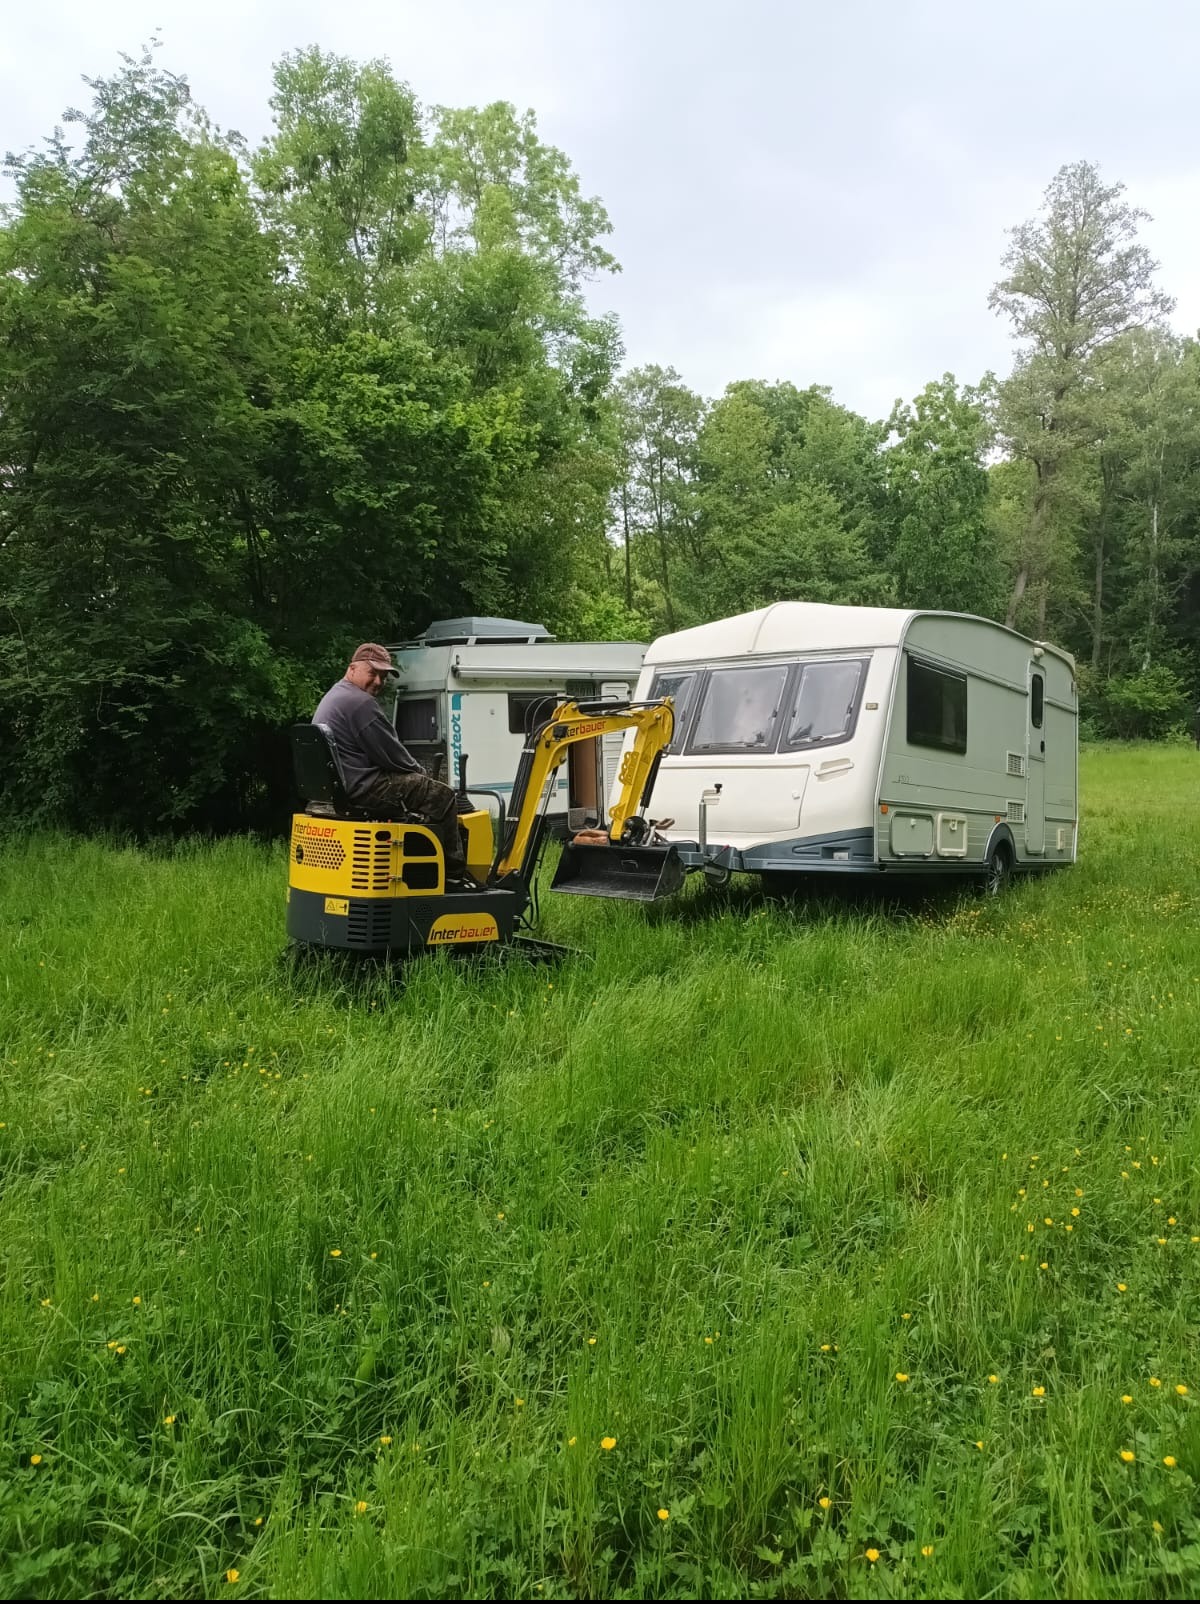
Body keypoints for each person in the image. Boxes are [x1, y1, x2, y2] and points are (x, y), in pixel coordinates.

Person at [313, 643, 475, 887]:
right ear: (353, 668)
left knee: (417, 800)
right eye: (373, 673)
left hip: (342, 787)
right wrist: (422, 774)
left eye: (383, 676)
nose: (378, 681)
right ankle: (453, 876)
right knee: (442, 795)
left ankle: (419, 864)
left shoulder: (335, 696)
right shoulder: (360, 703)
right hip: (361, 789)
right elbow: (393, 755)